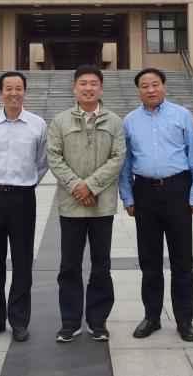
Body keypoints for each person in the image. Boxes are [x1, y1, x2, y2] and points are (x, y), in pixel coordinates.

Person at [118, 67, 193, 342]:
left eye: (155, 84)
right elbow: (125, 163)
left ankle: (184, 320)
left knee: (182, 260)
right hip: (144, 192)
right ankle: (152, 317)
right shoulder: (130, 121)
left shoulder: (182, 115)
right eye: (144, 85)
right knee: (149, 261)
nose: (150, 89)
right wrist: (127, 196)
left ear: (164, 86)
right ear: (138, 90)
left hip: (177, 190)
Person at [47, 64, 126, 343]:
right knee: (69, 265)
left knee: (101, 265)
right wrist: (77, 187)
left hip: (102, 205)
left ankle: (97, 321)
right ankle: (70, 322)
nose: (88, 88)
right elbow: (54, 157)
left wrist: (90, 185)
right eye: (83, 83)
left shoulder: (114, 121)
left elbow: (118, 157)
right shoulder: (60, 121)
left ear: (101, 88)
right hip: (71, 205)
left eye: (93, 83)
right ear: (74, 88)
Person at [0, 71, 48, 343]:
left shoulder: (37, 125)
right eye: (8, 88)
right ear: (0, 92)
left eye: (18, 88)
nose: (13, 93)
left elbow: (42, 163)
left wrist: (25, 184)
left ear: (25, 92)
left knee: (22, 262)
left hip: (23, 199)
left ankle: (19, 321)